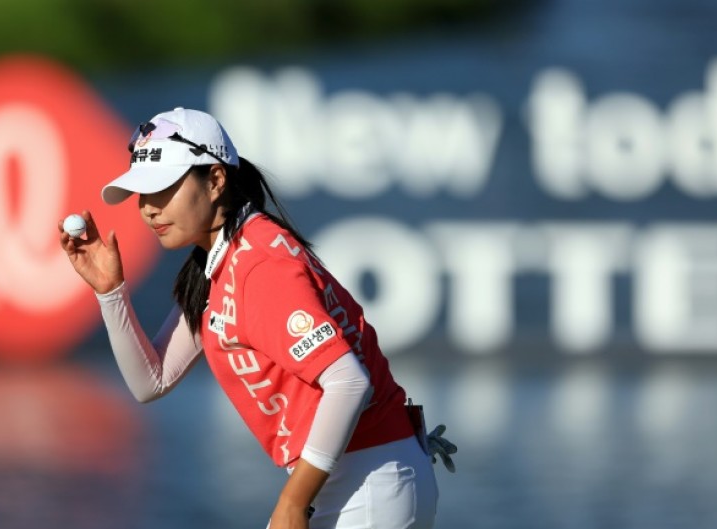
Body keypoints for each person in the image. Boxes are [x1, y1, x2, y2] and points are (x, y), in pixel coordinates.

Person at [59, 107, 455, 529]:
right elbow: (150, 382)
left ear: (214, 180)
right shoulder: (217, 264)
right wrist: (110, 293)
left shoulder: (257, 263)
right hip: (347, 479)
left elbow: (348, 381)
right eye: (143, 194)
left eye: (163, 189)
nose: (149, 209)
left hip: (370, 483)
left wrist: (292, 502)